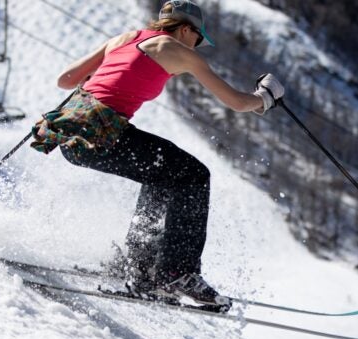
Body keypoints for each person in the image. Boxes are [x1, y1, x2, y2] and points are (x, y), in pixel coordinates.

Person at [49, 0, 285, 311]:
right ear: (186, 30)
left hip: (70, 133)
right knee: (193, 175)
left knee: (164, 174)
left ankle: (140, 267)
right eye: (198, 38)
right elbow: (237, 103)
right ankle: (177, 274)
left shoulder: (126, 38)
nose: (197, 45)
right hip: (101, 134)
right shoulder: (175, 48)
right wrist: (264, 98)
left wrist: (101, 79)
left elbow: (65, 80)